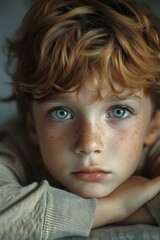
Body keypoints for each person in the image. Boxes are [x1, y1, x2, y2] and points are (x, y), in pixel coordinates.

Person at [0, 0, 160, 239]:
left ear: (153, 125)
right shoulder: (16, 143)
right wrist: (115, 208)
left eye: (118, 112)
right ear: (32, 125)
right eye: (61, 113)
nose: (89, 144)